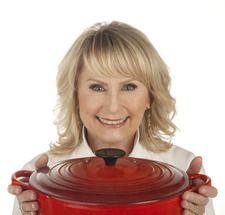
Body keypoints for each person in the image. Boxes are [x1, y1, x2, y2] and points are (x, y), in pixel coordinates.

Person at [8, 21, 217, 215]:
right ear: (75, 95)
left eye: (129, 87)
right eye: (97, 87)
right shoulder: (37, 175)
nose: (113, 107)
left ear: (150, 96)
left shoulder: (183, 169)